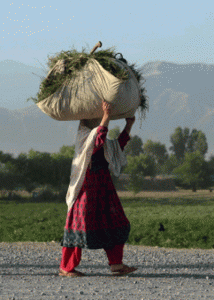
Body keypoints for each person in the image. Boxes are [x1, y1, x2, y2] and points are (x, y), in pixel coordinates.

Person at [59, 100, 137, 277]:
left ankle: (116, 264)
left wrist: (128, 125)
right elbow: (97, 142)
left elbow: (117, 147)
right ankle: (66, 267)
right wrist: (107, 116)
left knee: (117, 222)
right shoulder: (84, 137)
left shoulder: (102, 139)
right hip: (86, 187)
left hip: (104, 187)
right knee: (78, 226)